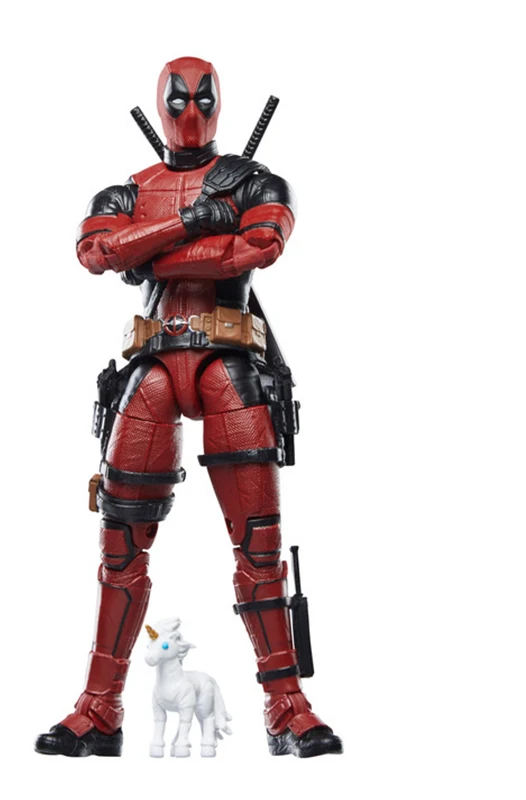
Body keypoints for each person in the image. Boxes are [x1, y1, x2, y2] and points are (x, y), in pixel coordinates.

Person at [34, 56, 342, 759]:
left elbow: (257, 247)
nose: (192, 111)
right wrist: (191, 224)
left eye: (204, 98)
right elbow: (95, 252)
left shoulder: (257, 183)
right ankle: (99, 707)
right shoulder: (127, 189)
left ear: (219, 103)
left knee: (259, 546)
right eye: (180, 99)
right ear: (162, 103)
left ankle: (286, 705)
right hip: (149, 369)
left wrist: (148, 251)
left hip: (229, 365)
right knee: (120, 547)